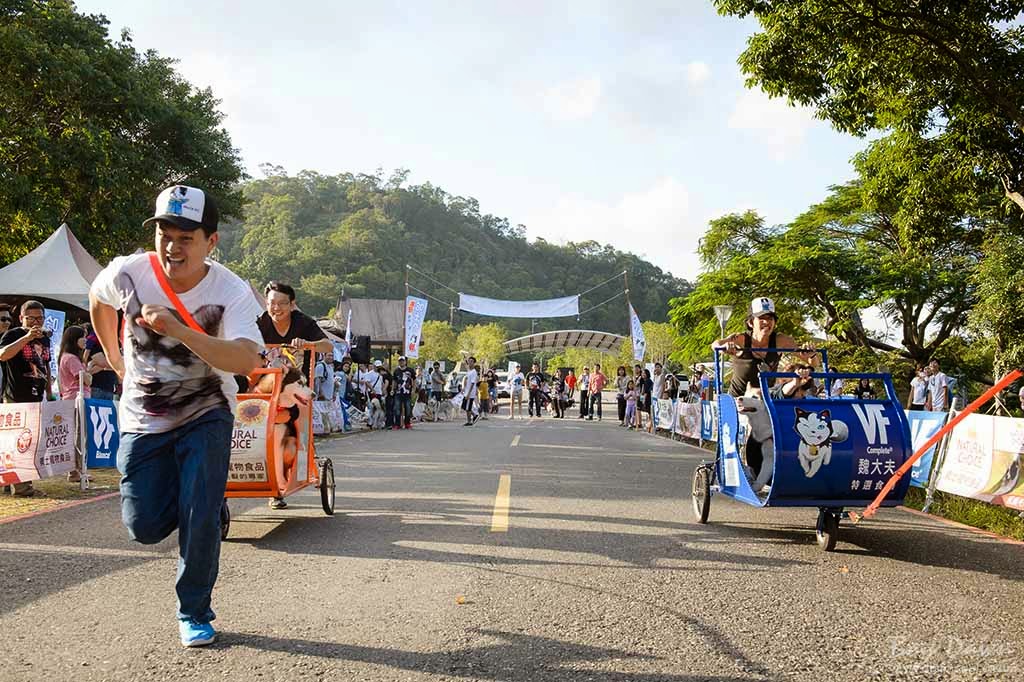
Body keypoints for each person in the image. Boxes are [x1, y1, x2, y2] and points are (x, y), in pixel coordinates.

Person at [89, 185, 264, 648]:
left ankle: (194, 611)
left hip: (208, 410)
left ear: (211, 241)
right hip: (143, 417)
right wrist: (114, 356)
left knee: (198, 510)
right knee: (142, 526)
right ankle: (200, 507)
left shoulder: (231, 291)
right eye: (166, 233)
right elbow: (97, 297)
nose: (173, 245)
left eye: (187, 237)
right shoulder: (129, 271)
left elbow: (246, 360)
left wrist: (181, 330)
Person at [1, 300, 55, 498]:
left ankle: (11, 482)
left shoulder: (45, 339)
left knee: (30, 443)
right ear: (21, 318)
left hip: (36, 396)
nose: (36, 322)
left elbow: (46, 366)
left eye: (40, 318)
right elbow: (3, 355)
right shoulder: (13, 334)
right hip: (15, 397)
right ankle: (23, 487)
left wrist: (49, 392)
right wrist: (26, 337)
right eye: (31, 318)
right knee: (19, 443)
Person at [712, 297, 815, 398]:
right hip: (738, 400)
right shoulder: (741, 339)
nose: (766, 322)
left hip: (765, 400)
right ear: (751, 322)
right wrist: (725, 346)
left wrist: (812, 354)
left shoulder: (781, 340)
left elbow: (813, 362)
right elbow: (715, 345)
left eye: (770, 318)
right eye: (761, 318)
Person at [256, 281, 332, 381]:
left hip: (298, 389)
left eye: (282, 303)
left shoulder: (304, 323)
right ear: (266, 303)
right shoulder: (260, 324)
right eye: (272, 303)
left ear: (292, 304)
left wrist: (308, 344)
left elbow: (328, 346)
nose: (277, 308)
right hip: (267, 389)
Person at [392, 356, 416, 429]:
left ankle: (407, 423)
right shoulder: (396, 370)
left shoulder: (410, 370)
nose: (401, 362)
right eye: (400, 361)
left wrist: (413, 390)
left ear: (405, 362)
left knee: (408, 408)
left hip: (407, 392)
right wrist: (392, 389)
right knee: (397, 408)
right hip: (398, 392)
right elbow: (394, 381)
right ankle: (397, 424)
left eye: (402, 361)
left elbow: (414, 380)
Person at [462, 356, 479, 426]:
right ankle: (473, 416)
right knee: (464, 406)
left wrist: (469, 393)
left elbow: (472, 383)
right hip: (466, 391)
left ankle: (471, 419)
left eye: (471, 361)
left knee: (468, 407)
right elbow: (467, 381)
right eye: (469, 361)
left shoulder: (474, 372)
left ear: (474, 363)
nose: (470, 363)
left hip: (470, 392)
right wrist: (464, 388)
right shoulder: (469, 371)